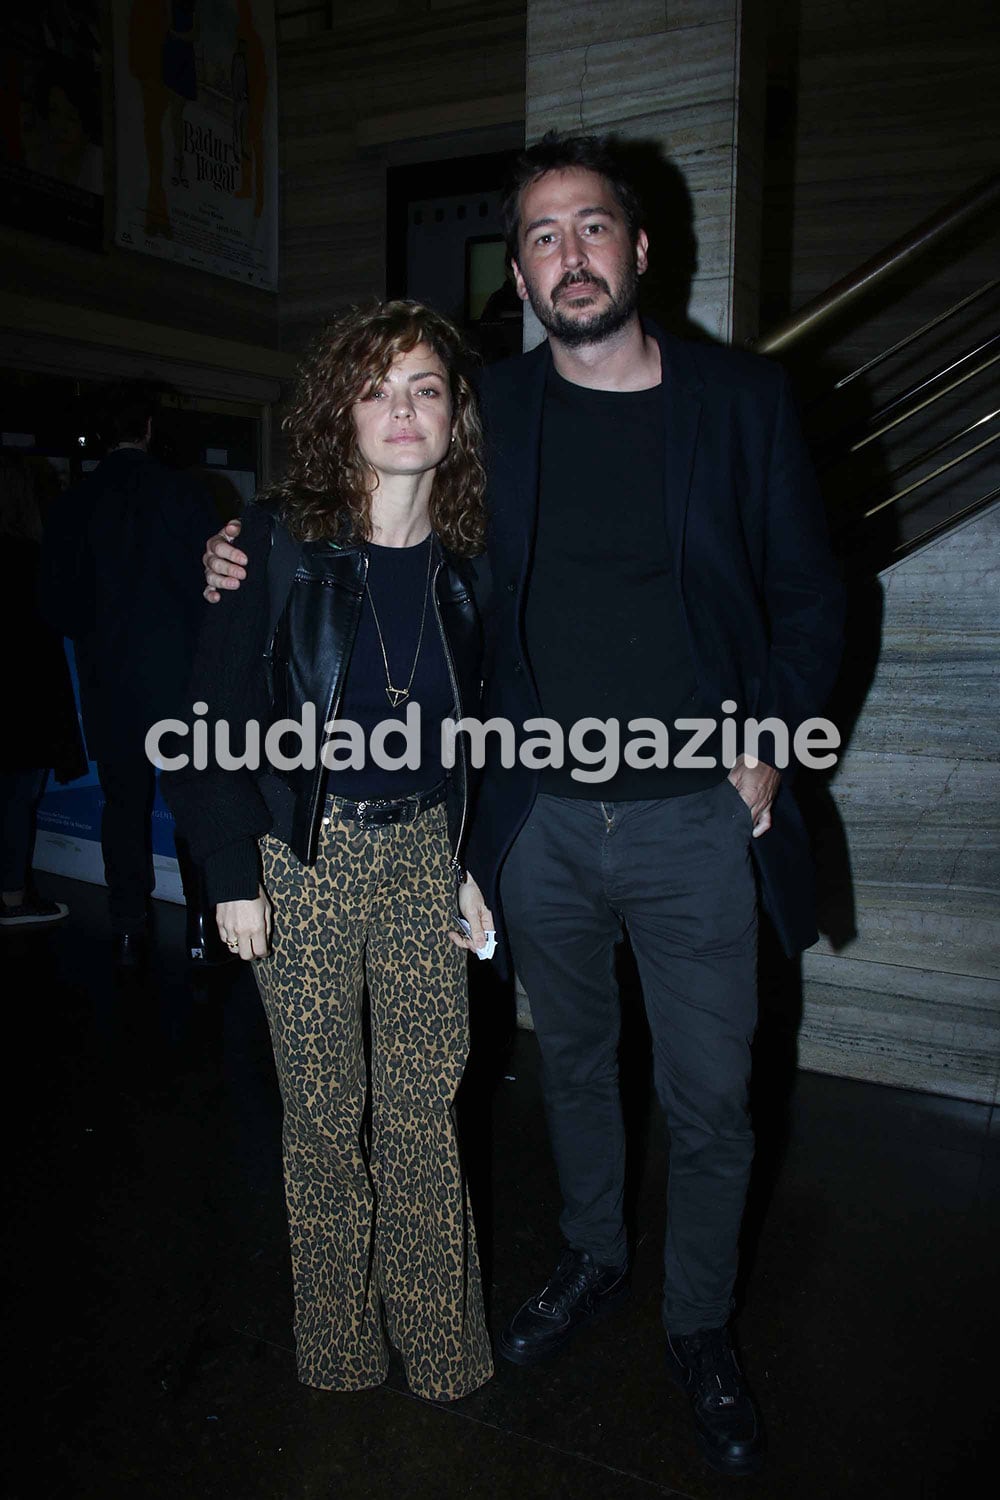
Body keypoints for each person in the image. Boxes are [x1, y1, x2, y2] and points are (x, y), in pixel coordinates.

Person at [203, 137, 844, 1473]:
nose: (569, 256)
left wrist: (777, 733)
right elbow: (361, 486)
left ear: (640, 248)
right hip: (535, 818)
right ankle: (597, 1259)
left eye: (591, 228)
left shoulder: (743, 400)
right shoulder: (491, 403)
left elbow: (816, 595)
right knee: (571, 1069)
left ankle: (700, 1324)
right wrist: (229, 541)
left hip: (693, 817)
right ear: (524, 270)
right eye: (541, 238)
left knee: (716, 1097)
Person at [166, 302, 493, 1401]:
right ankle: (342, 1351)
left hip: (420, 860)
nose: (402, 409)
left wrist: (473, 857)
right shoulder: (271, 542)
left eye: (426, 387)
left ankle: (443, 1349)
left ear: (454, 419)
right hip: (298, 861)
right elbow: (205, 715)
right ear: (340, 414)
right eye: (375, 388)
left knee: (420, 1113)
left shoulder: (471, 563)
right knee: (320, 1120)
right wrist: (228, 872)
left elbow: (497, 729)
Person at [39, 381, 219, 970]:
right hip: (181, 678)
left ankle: (127, 926)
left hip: (109, 680)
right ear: (147, 429)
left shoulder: (73, 502)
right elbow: (216, 592)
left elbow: (58, 607)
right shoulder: (187, 494)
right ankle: (201, 924)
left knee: (123, 805)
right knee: (192, 802)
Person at [0, 455, 86, 928]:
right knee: (17, 798)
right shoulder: (32, 560)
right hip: (23, 701)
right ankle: (13, 897)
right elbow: (60, 618)